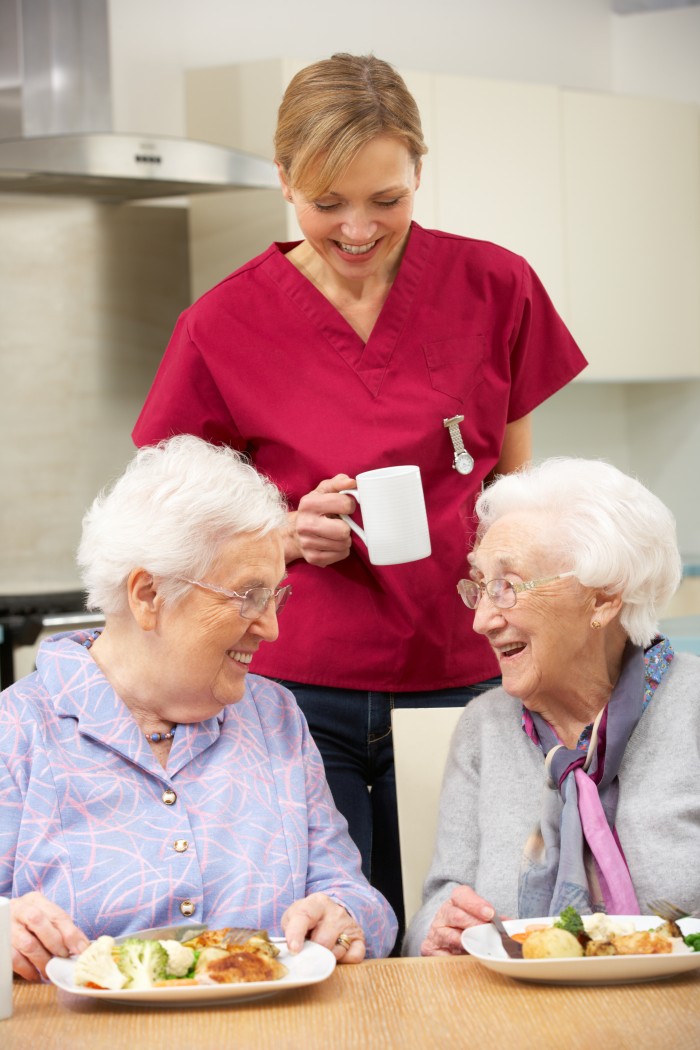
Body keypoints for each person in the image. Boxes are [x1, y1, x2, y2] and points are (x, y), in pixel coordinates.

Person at [131, 52, 587, 936]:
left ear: (420, 170)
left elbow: (513, 488)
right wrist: (284, 532)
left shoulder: (496, 287)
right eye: (325, 201)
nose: (356, 228)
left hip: (469, 678)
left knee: (480, 933)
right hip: (293, 692)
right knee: (331, 940)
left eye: (387, 199)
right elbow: (170, 509)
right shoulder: (224, 323)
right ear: (284, 181)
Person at [0, 435, 397, 981]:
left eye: (275, 597)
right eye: (247, 595)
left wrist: (345, 916)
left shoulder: (275, 716)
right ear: (148, 595)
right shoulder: (16, 729)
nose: (272, 628)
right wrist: (7, 930)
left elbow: (357, 898)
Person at [403, 457, 699, 956]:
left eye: (508, 587)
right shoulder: (484, 727)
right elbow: (435, 908)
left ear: (603, 600)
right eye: (480, 586)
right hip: (517, 1017)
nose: (482, 620)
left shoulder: (691, 707)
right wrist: (439, 931)